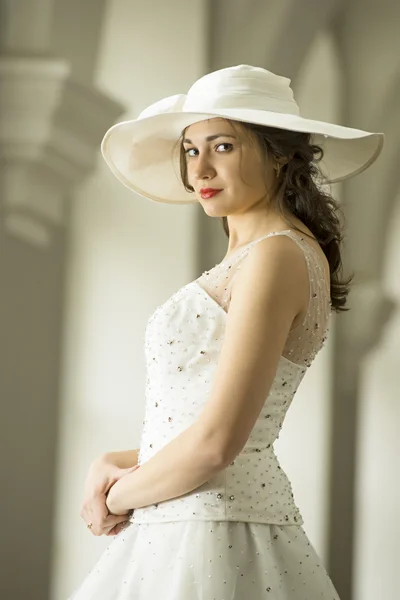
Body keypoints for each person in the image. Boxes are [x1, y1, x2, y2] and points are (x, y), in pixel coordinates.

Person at [69, 64, 384, 599]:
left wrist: (116, 499)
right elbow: (202, 423)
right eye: (192, 150)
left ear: (281, 152)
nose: (201, 170)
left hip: (207, 533)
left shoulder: (276, 256)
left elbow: (218, 444)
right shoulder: (264, 254)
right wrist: (115, 462)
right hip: (192, 521)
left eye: (223, 147)